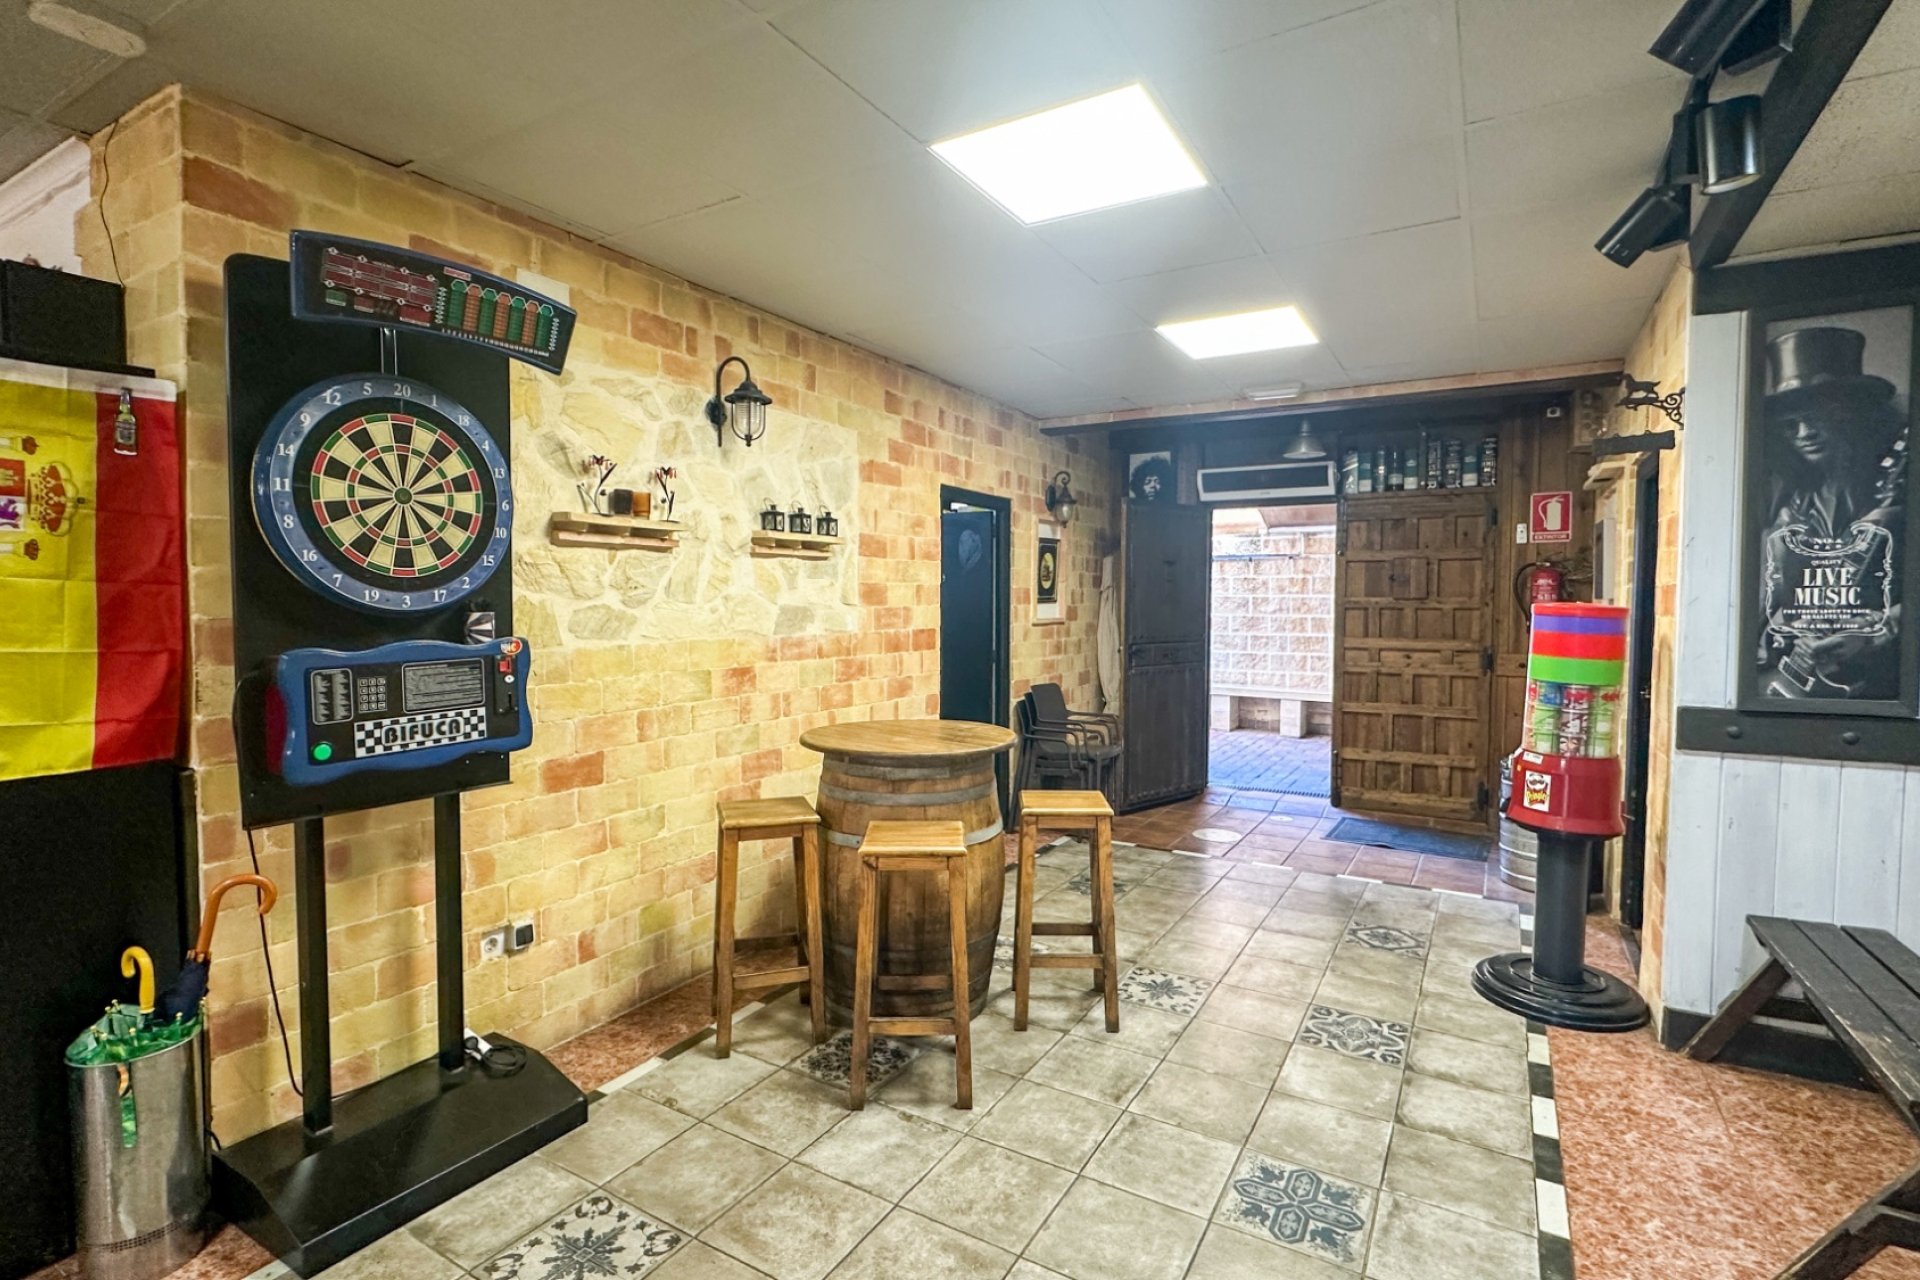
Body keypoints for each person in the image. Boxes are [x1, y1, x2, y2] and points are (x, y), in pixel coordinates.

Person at [1756, 325, 1908, 701]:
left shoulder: (1896, 492)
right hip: (1806, 683)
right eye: (1790, 426)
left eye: (1818, 417)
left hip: (1888, 691)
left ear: (1852, 413)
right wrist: (1787, 633)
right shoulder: (1789, 507)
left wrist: (1880, 631)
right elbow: (1776, 605)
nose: (1804, 433)